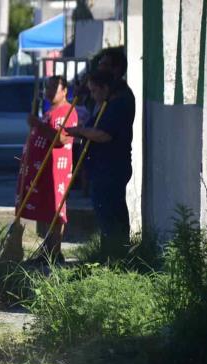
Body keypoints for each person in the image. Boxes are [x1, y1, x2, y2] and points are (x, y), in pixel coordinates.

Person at [66, 68, 135, 260]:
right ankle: (113, 254)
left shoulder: (118, 105)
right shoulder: (106, 103)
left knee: (110, 215)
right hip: (104, 167)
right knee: (110, 213)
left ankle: (114, 256)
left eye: (95, 90)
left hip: (110, 167)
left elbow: (103, 135)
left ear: (105, 88)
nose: (94, 95)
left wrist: (79, 131)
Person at [17, 75, 78, 262]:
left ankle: (54, 251)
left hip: (55, 169)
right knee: (45, 208)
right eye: (48, 88)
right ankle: (48, 249)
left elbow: (61, 138)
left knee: (56, 208)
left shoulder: (67, 111)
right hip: (41, 169)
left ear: (65, 90)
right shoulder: (51, 110)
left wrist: (37, 125)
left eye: (54, 88)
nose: (49, 92)